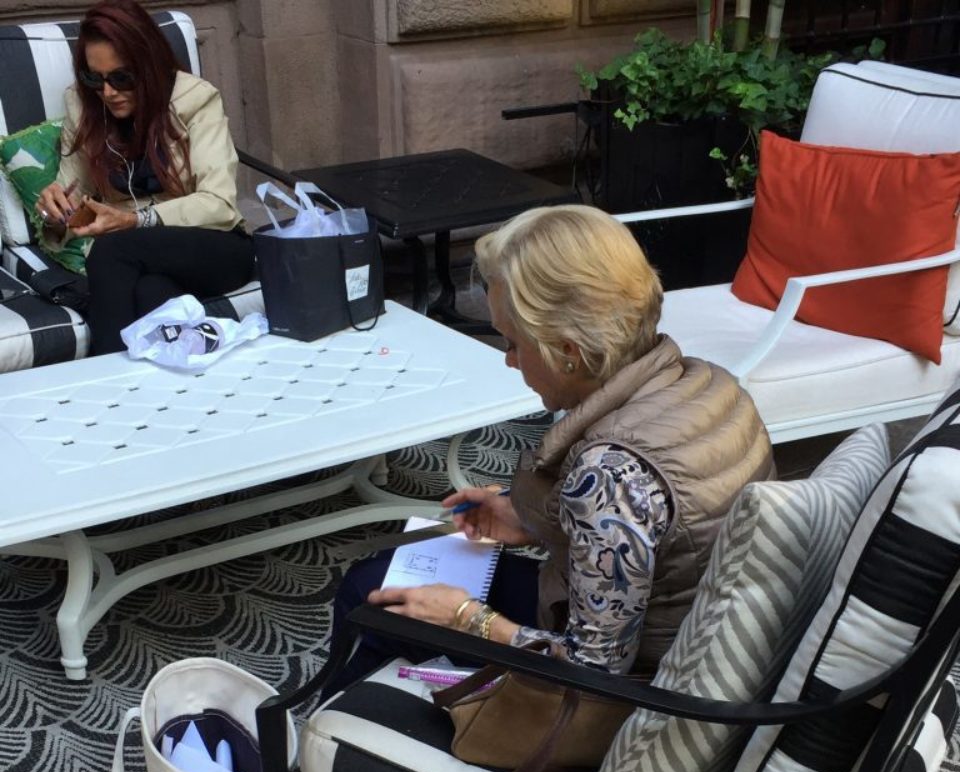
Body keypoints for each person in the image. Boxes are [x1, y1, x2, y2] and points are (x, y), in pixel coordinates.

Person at [330, 204, 774, 692]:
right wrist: (536, 523)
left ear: (568, 351)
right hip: (713, 641)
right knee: (382, 583)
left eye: (514, 342)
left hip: (651, 692)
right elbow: (662, 540)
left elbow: (593, 674)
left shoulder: (610, 473)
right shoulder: (709, 382)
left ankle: (340, 739)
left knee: (370, 598)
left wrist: (466, 619)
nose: (509, 360)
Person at [35, 0, 254, 355]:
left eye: (122, 78)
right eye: (95, 78)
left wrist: (137, 220)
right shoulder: (84, 106)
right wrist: (56, 213)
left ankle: (102, 376)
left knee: (111, 251)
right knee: (151, 292)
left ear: (149, 66)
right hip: (140, 262)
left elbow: (219, 204)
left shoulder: (195, 100)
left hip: (215, 246)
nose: (108, 92)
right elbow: (76, 198)